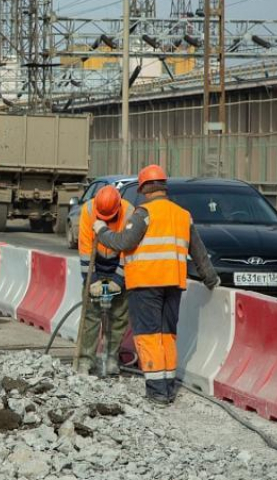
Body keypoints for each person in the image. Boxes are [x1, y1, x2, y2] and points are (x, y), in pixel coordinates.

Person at [95, 164, 219, 405]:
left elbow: (123, 242)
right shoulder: (183, 215)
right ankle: (168, 387)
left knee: (149, 336)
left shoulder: (144, 214)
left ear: (143, 188)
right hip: (173, 283)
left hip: (145, 283)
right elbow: (199, 252)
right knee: (167, 335)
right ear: (164, 186)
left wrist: (100, 230)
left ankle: (156, 391)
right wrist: (211, 278)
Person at [78, 185, 133, 376]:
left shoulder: (129, 212)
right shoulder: (88, 210)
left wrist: (118, 279)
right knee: (91, 316)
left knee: (118, 316)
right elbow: (85, 249)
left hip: (118, 263)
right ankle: (85, 361)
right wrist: (91, 279)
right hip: (97, 264)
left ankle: (111, 359)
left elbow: (129, 251)